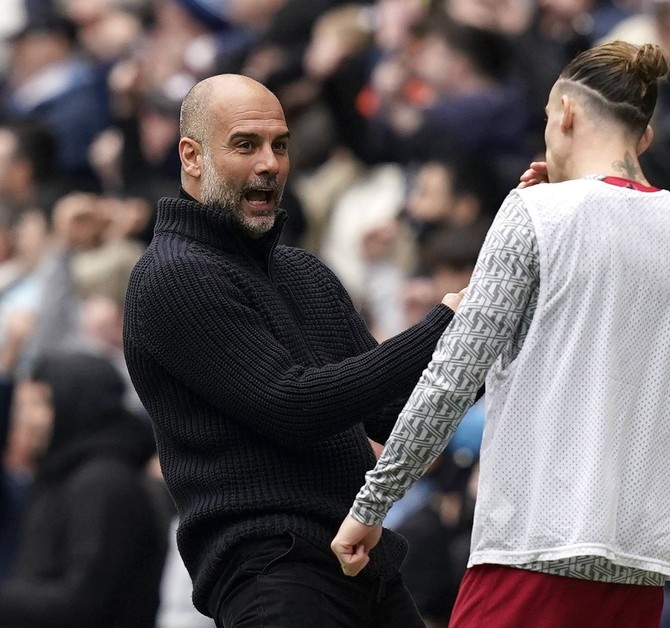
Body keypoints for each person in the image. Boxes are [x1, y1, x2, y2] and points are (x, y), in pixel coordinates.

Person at [332, 40, 670, 627]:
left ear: (565, 113)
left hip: (531, 548)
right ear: (643, 137)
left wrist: (372, 504)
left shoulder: (536, 215)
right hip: (643, 564)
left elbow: (452, 374)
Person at [122, 73, 464, 627]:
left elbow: (391, 415)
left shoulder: (302, 271)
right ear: (191, 156)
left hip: (364, 562)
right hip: (274, 573)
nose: (270, 163)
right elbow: (294, 406)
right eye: (245, 145)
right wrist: (445, 325)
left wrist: (495, 299)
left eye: (280, 144)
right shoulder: (171, 276)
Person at [0, 348, 167, 627]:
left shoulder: (104, 482)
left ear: (77, 402)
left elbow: (84, 602)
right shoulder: (60, 475)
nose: (28, 419)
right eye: (25, 405)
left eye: (41, 402)